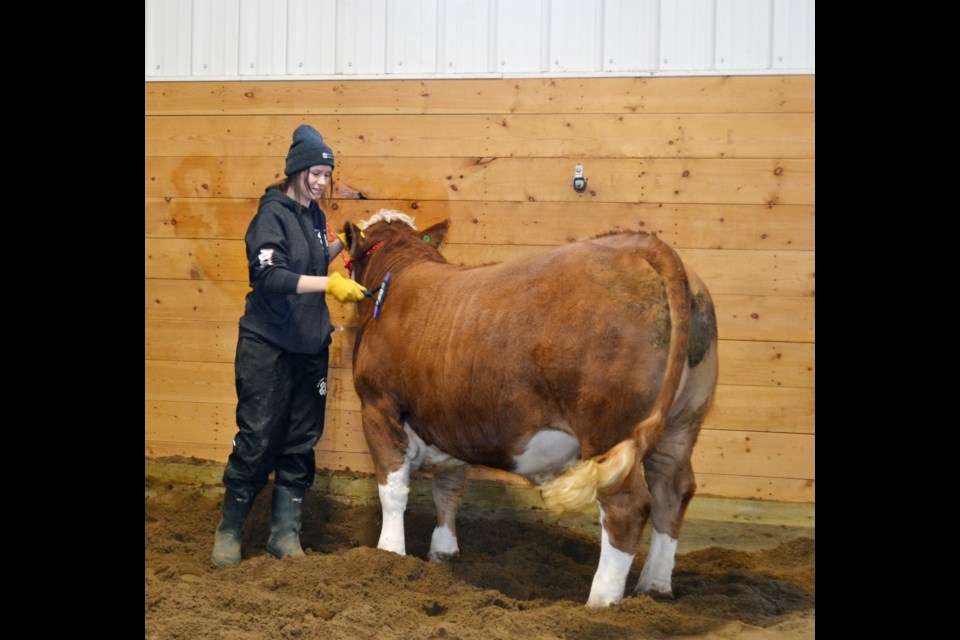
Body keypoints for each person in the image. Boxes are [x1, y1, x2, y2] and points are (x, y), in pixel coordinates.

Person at [211, 124, 368, 567]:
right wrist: (330, 284)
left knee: (301, 441)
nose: (321, 183)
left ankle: (285, 535)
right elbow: (270, 275)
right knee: (259, 435)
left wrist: (348, 242)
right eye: (314, 173)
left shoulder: (316, 218)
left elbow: (314, 256)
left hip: (310, 344)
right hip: (268, 344)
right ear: (296, 171)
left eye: (326, 175)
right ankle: (229, 530)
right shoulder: (271, 216)